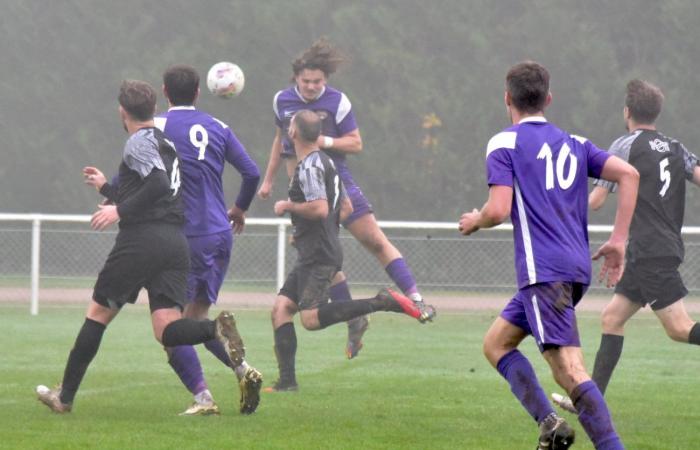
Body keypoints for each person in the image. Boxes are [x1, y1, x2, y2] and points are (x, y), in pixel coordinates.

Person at [36, 80, 247, 414]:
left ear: (123, 111)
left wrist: (117, 210)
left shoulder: (138, 142)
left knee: (97, 315)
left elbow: (157, 186)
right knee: (167, 329)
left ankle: (64, 398)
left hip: (142, 242)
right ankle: (214, 329)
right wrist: (106, 186)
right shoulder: (166, 143)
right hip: (175, 243)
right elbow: (155, 194)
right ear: (154, 109)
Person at [459, 62, 639, 450]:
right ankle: (551, 424)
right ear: (548, 99)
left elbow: (497, 209)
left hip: (544, 272)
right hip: (572, 270)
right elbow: (629, 175)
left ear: (507, 98)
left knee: (570, 371)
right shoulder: (575, 142)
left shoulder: (505, 143)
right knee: (496, 344)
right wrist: (619, 239)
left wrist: (476, 220)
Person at [258, 38, 435, 361]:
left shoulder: (337, 102)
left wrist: (321, 139)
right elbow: (278, 140)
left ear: (326, 81)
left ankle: (415, 297)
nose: (312, 87)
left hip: (336, 185)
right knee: (317, 255)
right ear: (296, 78)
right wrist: (269, 179)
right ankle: (355, 318)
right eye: (306, 81)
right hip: (301, 191)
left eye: (318, 82)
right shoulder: (281, 101)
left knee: (374, 241)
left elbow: (355, 143)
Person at [552, 80, 700, 415]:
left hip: (649, 250)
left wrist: (560, 198)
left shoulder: (624, 146)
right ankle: (590, 401)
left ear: (627, 112)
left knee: (679, 328)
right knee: (612, 317)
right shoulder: (676, 148)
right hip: (655, 247)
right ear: (656, 112)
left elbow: (597, 200)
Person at [267, 109, 430, 392]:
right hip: (316, 249)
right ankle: (287, 382)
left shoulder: (307, 167)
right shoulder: (327, 162)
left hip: (318, 255)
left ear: (293, 133)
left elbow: (318, 208)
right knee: (281, 309)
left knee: (310, 319)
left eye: (290, 126)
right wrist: (313, 233)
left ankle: (382, 301)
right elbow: (346, 207)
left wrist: (288, 206)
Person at [151, 64, 262, 415]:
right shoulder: (219, 127)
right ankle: (244, 371)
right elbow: (252, 172)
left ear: (165, 92)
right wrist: (240, 208)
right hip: (219, 234)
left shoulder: (158, 126)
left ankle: (203, 398)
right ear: (199, 92)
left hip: (185, 238)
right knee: (197, 321)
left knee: (171, 329)